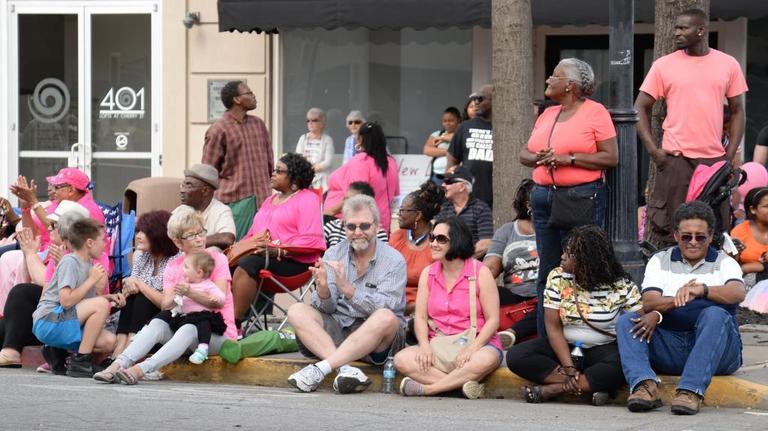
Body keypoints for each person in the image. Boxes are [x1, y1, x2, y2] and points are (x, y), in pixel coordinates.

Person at [519, 57, 618, 337]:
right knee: (548, 272)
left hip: (580, 198)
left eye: (554, 76)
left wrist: (568, 158)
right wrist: (539, 157)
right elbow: (524, 153)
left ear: (571, 86)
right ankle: (547, 340)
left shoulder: (595, 113)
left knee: (581, 266)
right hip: (542, 198)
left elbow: (610, 157)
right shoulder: (548, 114)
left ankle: (585, 337)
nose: (549, 80)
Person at [616, 202, 745, 415]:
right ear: (676, 236)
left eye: (700, 237)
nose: (693, 242)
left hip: (719, 351)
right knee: (627, 321)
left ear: (711, 236)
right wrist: (665, 307)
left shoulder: (724, 262)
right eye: (686, 236)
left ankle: (690, 391)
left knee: (715, 314)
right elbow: (649, 302)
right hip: (672, 347)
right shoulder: (660, 260)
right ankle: (644, 386)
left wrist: (700, 290)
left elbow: (737, 293)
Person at [636, 8, 747, 246]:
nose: (676, 33)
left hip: (713, 161)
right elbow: (639, 108)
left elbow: (738, 110)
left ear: (701, 30)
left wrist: (728, 156)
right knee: (672, 227)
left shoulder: (728, 64)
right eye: (676, 28)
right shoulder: (663, 65)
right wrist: (654, 152)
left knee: (714, 228)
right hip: (677, 158)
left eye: (683, 28)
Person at [93, 207, 235, 384]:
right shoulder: (175, 266)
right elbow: (166, 305)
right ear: (177, 242)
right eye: (191, 236)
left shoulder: (217, 259)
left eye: (201, 232)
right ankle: (117, 364)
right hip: (184, 331)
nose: (199, 239)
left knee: (189, 328)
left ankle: (141, 369)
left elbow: (218, 302)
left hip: (216, 333)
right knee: (158, 324)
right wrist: (175, 296)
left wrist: (190, 292)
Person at [285, 194, 407, 394]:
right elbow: (327, 308)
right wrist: (323, 291)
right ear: (344, 228)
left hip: (377, 341)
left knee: (386, 317)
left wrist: (349, 290)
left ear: (376, 227)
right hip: (339, 329)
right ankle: (344, 368)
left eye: (364, 226)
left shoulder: (394, 260)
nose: (358, 232)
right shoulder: (334, 252)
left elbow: (388, 307)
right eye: (351, 227)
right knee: (297, 310)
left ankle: (322, 368)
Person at [507, 225, 641, 405]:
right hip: (566, 347)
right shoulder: (557, 277)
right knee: (517, 356)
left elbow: (638, 320)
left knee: (622, 366)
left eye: (569, 254)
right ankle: (591, 386)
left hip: (603, 350)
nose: (562, 257)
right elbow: (553, 327)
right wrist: (569, 367)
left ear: (587, 260)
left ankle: (554, 389)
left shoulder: (621, 285)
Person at [394, 216, 501, 399]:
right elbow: (420, 317)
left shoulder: (480, 272)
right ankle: (459, 387)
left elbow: (493, 320)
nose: (434, 243)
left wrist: (472, 349)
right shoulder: (428, 273)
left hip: (476, 343)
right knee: (401, 359)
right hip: (439, 343)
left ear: (457, 240)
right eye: (432, 238)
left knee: (485, 360)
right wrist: (425, 346)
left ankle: (430, 389)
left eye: (441, 239)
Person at [232, 153, 325, 324]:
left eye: (279, 171)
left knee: (248, 264)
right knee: (226, 265)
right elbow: (252, 234)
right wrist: (239, 248)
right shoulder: (269, 200)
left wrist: (280, 250)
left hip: (295, 263)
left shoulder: (307, 199)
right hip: (263, 256)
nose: (273, 173)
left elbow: (312, 240)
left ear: (294, 179)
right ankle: (215, 319)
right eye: (274, 170)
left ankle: (234, 324)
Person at [31, 218, 122, 377]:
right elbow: (66, 301)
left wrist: (109, 297)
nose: (105, 244)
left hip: (62, 321)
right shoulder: (70, 261)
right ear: (89, 243)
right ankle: (81, 362)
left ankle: (58, 352)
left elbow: (82, 301)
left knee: (109, 342)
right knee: (99, 304)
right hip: (48, 320)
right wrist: (92, 280)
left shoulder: (89, 265)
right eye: (102, 240)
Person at [0, 206, 89, 369]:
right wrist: (28, 253)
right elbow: (39, 285)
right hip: (53, 312)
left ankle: (11, 350)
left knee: (22, 292)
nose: (48, 227)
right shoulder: (55, 249)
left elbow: (75, 294)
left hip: (73, 312)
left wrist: (32, 255)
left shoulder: (87, 252)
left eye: (54, 224)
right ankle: (9, 350)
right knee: (9, 318)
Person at [202, 80, 274, 241]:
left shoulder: (258, 125)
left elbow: (270, 164)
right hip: (234, 204)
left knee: (260, 252)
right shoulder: (218, 130)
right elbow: (208, 173)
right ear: (237, 99)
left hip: (263, 202)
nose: (254, 96)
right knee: (234, 253)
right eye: (249, 93)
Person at [113, 210, 179, 359]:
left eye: (144, 232)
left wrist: (140, 285)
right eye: (138, 231)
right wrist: (127, 284)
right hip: (140, 315)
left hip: (167, 318)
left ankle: (129, 353)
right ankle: (118, 352)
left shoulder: (175, 261)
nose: (138, 236)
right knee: (131, 299)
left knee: (142, 298)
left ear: (159, 234)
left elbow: (166, 303)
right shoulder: (142, 256)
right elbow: (131, 285)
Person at [484, 179, 538, 344]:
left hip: (542, 295)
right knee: (490, 293)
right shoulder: (507, 231)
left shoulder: (552, 230)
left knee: (551, 302)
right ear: (529, 205)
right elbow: (490, 268)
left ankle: (511, 334)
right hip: (514, 296)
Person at [325, 122, 399, 234]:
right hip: (381, 225)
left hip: (356, 227)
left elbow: (354, 198)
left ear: (360, 139)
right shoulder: (391, 162)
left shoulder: (361, 161)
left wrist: (327, 213)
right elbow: (394, 195)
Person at [155, 251, 225, 365]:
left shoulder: (208, 285)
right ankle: (145, 330)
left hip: (200, 316)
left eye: (186, 267)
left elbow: (221, 297)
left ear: (199, 272)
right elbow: (170, 302)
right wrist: (176, 295)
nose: (183, 270)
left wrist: (216, 299)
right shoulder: (184, 284)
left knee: (204, 323)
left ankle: (202, 349)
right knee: (166, 314)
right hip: (185, 317)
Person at [390, 181, 443, 315]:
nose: (399, 214)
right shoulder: (396, 237)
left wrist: (414, 307)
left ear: (418, 215)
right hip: (392, 306)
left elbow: (442, 288)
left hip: (424, 309)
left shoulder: (437, 242)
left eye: (403, 210)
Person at [448, 85, 494, 208]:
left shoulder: (503, 129)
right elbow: (452, 157)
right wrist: (452, 183)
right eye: (474, 99)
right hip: (466, 196)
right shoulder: (465, 126)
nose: (475, 102)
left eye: (480, 99)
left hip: (494, 196)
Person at [174, 164, 235, 252]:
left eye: (189, 186)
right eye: (183, 185)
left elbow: (227, 238)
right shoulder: (181, 210)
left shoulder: (221, 210)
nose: (182, 190)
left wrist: (191, 243)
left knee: (213, 250)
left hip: (206, 262)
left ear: (205, 191)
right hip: (181, 261)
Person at [437, 166, 493, 258]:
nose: (443, 185)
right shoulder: (444, 208)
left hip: (472, 265)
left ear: (462, 186)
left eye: (448, 182)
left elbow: (485, 243)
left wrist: (460, 260)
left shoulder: (481, 208)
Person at [323, 182, 388, 248]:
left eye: (351, 200)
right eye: (345, 199)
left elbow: (384, 255)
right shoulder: (333, 225)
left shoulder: (377, 230)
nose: (344, 203)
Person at [730, 187, 768, 276]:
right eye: (766, 206)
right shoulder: (739, 232)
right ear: (753, 209)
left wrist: (760, 266)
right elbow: (731, 265)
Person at [296, 107, 335, 190]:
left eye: (314, 120)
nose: (310, 123)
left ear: (322, 123)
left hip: (322, 180)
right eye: (308, 120)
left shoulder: (327, 139)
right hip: (305, 178)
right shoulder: (303, 138)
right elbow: (298, 157)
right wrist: (306, 167)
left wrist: (315, 168)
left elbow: (328, 161)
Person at [423, 107, 461, 185]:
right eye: (444, 121)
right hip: (438, 176)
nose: (447, 123)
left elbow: (457, 138)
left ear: (459, 120)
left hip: (457, 176)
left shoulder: (462, 133)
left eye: (451, 120)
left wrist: (442, 138)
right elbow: (427, 150)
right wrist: (446, 152)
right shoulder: (437, 134)